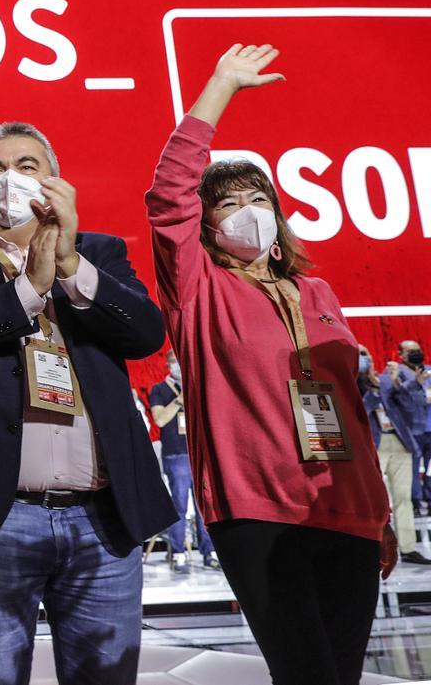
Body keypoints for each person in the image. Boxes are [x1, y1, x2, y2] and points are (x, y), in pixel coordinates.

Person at [145, 44, 394, 685]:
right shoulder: (199, 287)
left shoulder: (317, 293)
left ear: (279, 217)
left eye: (257, 197)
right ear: (205, 226)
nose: (246, 211)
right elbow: (170, 192)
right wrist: (221, 87)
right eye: (227, 203)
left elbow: (352, 412)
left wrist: (382, 514)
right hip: (258, 511)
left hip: (350, 512)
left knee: (342, 675)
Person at [0, 120, 175, 685]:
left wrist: (71, 266)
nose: (9, 179)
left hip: (102, 518)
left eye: (26, 166)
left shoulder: (101, 252)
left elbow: (147, 333)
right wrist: (28, 289)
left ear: (55, 182)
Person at [149, 349, 217, 574]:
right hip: (176, 455)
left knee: (203, 507)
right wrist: (179, 400)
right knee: (179, 504)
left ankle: (209, 553)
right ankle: (178, 553)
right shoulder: (160, 389)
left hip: (199, 454)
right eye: (173, 363)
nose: (177, 367)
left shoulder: (196, 386)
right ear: (168, 365)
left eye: (180, 363)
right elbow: (159, 419)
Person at [365, 346, 431, 564]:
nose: (364, 358)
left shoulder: (385, 379)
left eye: (366, 353)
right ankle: (375, 548)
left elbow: (409, 405)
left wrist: (399, 384)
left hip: (400, 441)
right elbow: (360, 411)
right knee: (374, 500)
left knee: (403, 497)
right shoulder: (349, 383)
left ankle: (408, 548)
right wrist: (373, 392)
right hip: (373, 445)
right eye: (359, 354)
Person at [389, 340, 431, 512]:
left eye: (418, 350)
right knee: (412, 468)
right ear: (401, 355)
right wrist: (416, 384)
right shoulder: (396, 373)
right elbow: (398, 396)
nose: (416, 353)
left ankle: (429, 499)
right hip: (410, 428)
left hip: (429, 426)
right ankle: (415, 502)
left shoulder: (428, 369)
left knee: (430, 469)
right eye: (411, 351)